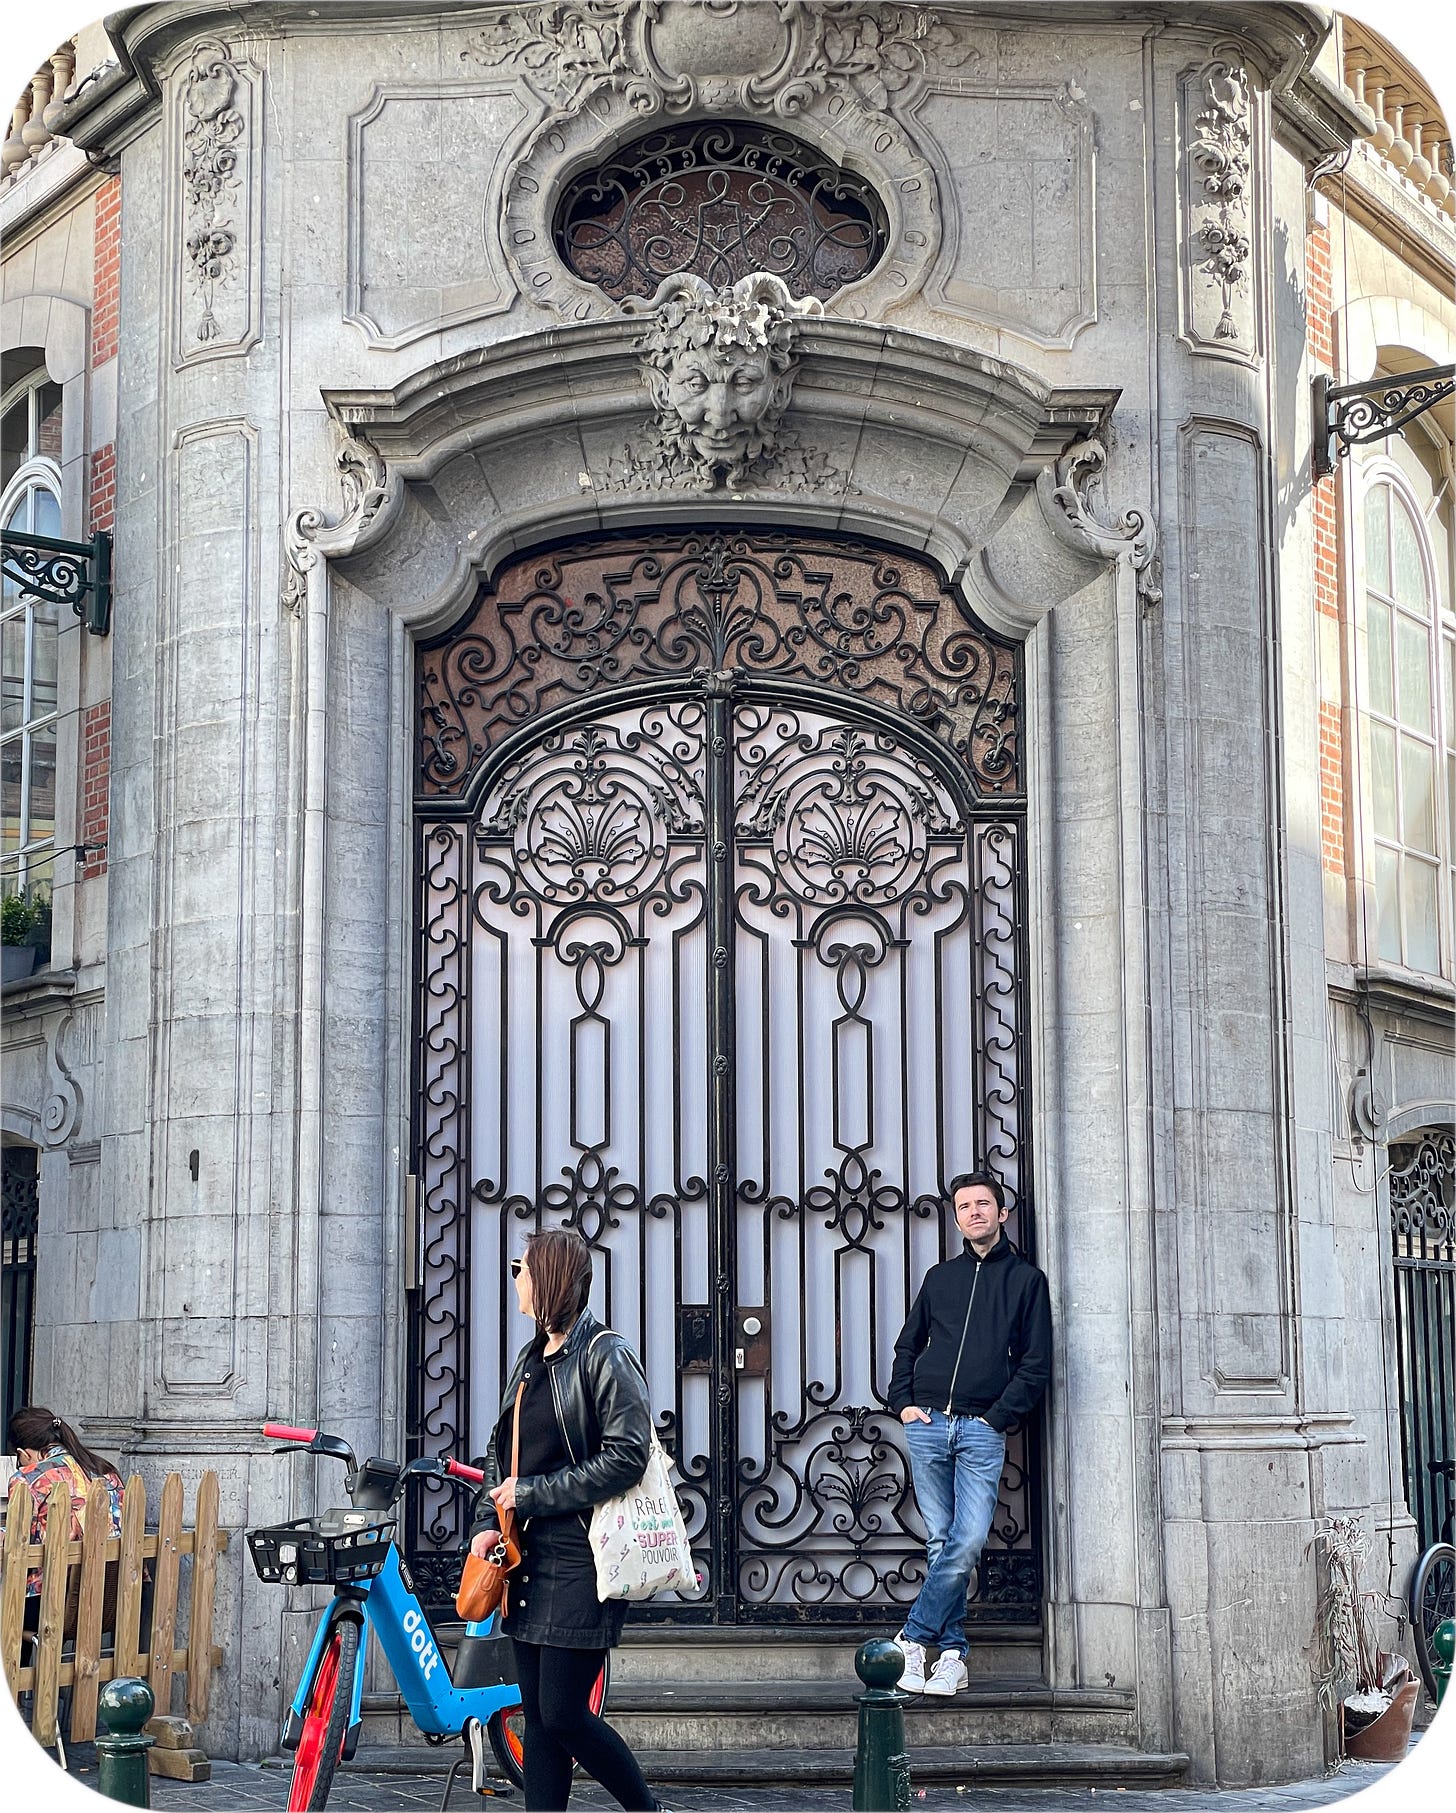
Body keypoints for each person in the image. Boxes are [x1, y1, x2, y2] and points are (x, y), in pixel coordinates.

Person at [469, 1227, 663, 1813]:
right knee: (537, 1719)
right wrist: (487, 1517)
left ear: (548, 1279)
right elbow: (502, 1451)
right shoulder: (531, 1359)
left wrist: (532, 1494)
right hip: (526, 1557)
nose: (516, 1280)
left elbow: (627, 1456)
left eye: (521, 1269)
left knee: (562, 1713)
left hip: (584, 1558)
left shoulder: (605, 1354)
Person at [886, 1171, 1052, 1697]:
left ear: (1002, 1214)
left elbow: (1036, 1363)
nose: (974, 1212)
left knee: (968, 1539)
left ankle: (913, 1638)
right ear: (957, 1219)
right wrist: (904, 1404)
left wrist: (996, 1417)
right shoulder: (940, 1278)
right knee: (941, 1540)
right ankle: (952, 1655)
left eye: (983, 1204)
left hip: (981, 1428)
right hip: (929, 1425)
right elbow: (908, 1345)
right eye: (964, 1206)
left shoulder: (1026, 1281)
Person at [6, 1407, 125, 1613]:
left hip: (52, 1599)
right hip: (113, 1597)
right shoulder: (106, 1472)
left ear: (23, 1453)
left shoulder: (28, 1478)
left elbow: (20, 1541)